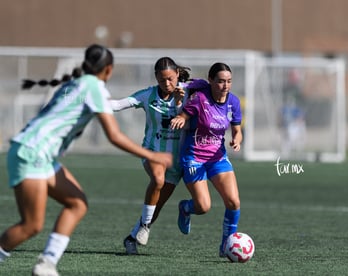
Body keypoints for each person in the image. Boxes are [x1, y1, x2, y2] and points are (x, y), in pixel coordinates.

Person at [0, 44, 172, 276]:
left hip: (36, 153)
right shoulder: (95, 88)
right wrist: (152, 155)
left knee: (77, 204)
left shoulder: (75, 84)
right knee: (31, 225)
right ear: (108, 69)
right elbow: (114, 136)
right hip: (33, 153)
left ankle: (47, 263)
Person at [110, 57, 207, 255]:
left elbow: (209, 87)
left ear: (177, 75)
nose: (167, 84)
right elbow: (118, 104)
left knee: (156, 206)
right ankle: (145, 226)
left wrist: (190, 88)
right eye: (162, 80)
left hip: (179, 160)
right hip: (153, 152)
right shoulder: (148, 95)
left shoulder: (188, 91)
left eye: (170, 79)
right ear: (156, 78)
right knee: (157, 178)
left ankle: (132, 238)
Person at [170, 62, 243, 257]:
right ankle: (185, 208)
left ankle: (227, 245)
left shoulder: (233, 102)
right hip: (194, 157)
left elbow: (237, 130)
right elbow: (185, 116)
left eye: (228, 81)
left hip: (217, 157)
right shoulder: (200, 99)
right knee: (203, 207)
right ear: (210, 81)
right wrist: (180, 119)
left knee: (233, 202)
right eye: (220, 81)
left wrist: (237, 139)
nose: (225, 86)